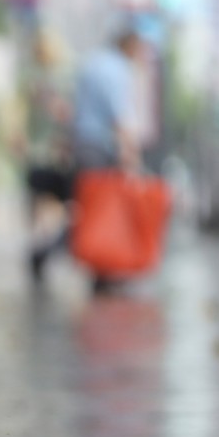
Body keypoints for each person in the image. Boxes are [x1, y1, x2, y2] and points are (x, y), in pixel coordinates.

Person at [70, 27, 146, 292]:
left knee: (90, 207)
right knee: (101, 209)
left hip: (83, 144)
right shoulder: (116, 70)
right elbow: (120, 117)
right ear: (130, 46)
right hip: (100, 148)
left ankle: (100, 271)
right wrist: (131, 156)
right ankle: (101, 270)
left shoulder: (93, 64)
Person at [19, 31, 75, 284]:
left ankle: (42, 245)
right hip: (45, 152)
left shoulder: (48, 79)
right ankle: (44, 246)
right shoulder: (40, 79)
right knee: (47, 202)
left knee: (46, 203)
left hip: (47, 152)